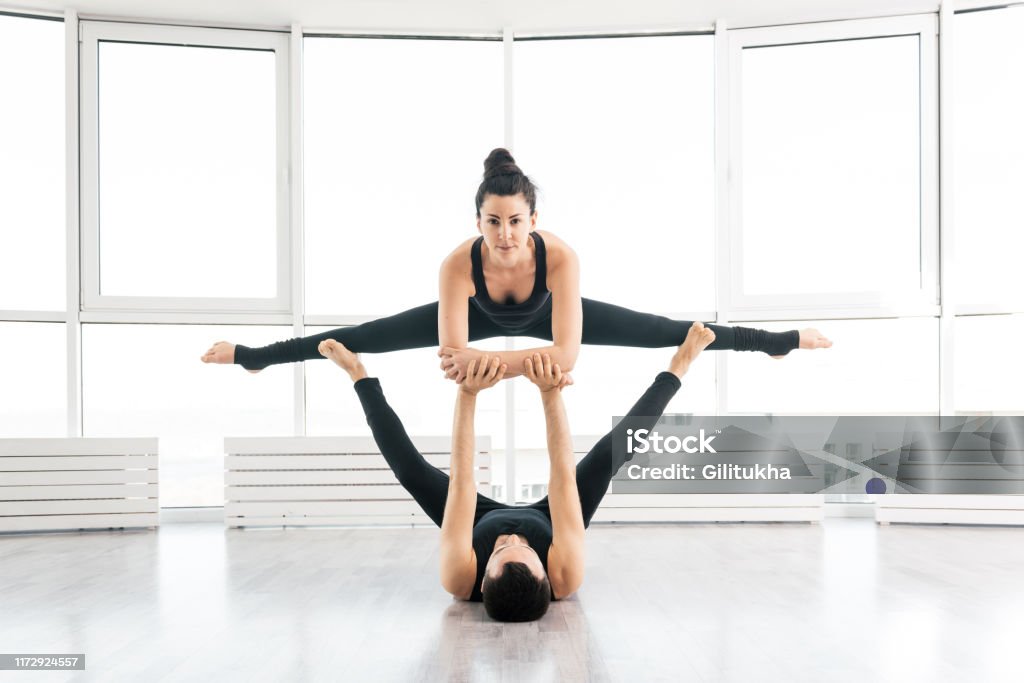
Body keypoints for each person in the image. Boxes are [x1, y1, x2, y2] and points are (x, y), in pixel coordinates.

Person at [200, 149, 831, 380]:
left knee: (668, 330)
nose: (504, 235)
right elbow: (452, 357)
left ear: (533, 221)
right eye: (493, 222)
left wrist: (497, 362)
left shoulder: (560, 256)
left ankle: (776, 341)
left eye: (515, 222)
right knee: (360, 339)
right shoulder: (456, 265)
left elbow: (568, 358)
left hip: (551, 312)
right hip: (479, 317)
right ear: (478, 223)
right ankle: (255, 357)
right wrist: (521, 362)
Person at [317, 320, 717, 621]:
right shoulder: (564, 573)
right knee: (612, 452)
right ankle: (679, 365)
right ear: (545, 573)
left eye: (500, 548)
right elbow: (562, 473)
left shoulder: (459, 576)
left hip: (475, 517)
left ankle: (357, 373)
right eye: (522, 549)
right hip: (549, 519)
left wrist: (468, 393)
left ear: (482, 575)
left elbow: (463, 481)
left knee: (408, 469)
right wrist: (549, 393)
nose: (510, 537)